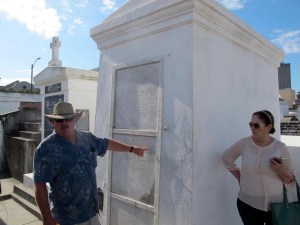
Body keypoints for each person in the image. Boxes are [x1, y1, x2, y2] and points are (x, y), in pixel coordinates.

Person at [33, 102, 149, 225]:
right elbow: (39, 184)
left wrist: (132, 149)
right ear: (52, 122)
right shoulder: (45, 149)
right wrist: (46, 217)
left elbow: (106, 144)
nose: (65, 123)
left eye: (68, 119)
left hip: (91, 212)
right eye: (59, 120)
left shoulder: (87, 138)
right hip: (67, 218)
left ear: (75, 120)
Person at [222, 110, 296, 225]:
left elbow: (291, 180)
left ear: (269, 127)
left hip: (276, 207)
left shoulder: (280, 147)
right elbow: (226, 159)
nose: (252, 128)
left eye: (256, 125)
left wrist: (281, 170)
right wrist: (240, 178)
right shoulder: (244, 143)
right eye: (250, 124)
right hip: (248, 203)